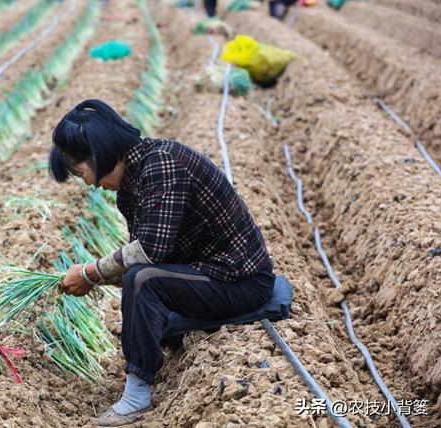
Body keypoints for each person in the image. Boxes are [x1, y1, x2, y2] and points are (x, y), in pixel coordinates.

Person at [49, 99, 275, 426]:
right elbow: (143, 254)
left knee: (143, 282)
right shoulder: (131, 185)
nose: (89, 184)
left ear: (98, 154)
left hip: (240, 281)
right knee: (142, 290)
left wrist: (90, 272)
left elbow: (150, 252)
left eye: (82, 172)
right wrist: (91, 277)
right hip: (205, 273)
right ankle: (159, 351)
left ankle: (137, 395)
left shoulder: (162, 165)